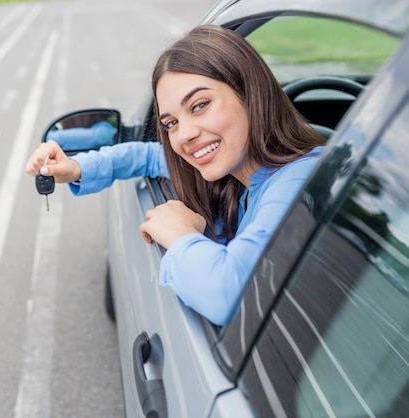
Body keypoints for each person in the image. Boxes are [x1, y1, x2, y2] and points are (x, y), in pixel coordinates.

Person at [25, 25, 326, 325]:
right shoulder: (237, 171)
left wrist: (179, 234)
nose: (185, 135)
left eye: (199, 105)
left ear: (250, 92)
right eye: (170, 123)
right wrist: (76, 168)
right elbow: (146, 155)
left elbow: (228, 294)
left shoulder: (300, 177)